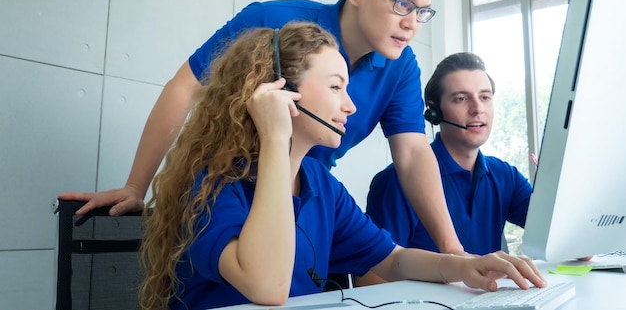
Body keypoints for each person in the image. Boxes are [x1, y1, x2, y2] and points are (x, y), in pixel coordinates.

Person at [59, 0, 467, 254]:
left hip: (306, 197)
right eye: (402, 4)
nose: (413, 24)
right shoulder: (271, 22)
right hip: (227, 195)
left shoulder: (401, 65)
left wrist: (453, 252)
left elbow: (413, 153)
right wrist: (136, 186)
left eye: (423, 12)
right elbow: (185, 89)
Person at [137, 25, 546, 310]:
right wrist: (277, 137)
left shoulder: (319, 183)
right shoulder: (213, 183)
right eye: (336, 87)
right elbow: (267, 286)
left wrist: (466, 267)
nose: (350, 105)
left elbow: (393, 260)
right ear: (284, 92)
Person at [357, 52, 533, 285]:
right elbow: (371, 280)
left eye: (485, 97)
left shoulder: (505, 176)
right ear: (434, 112)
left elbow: (558, 235)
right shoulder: (396, 181)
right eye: (461, 99)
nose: (477, 109)